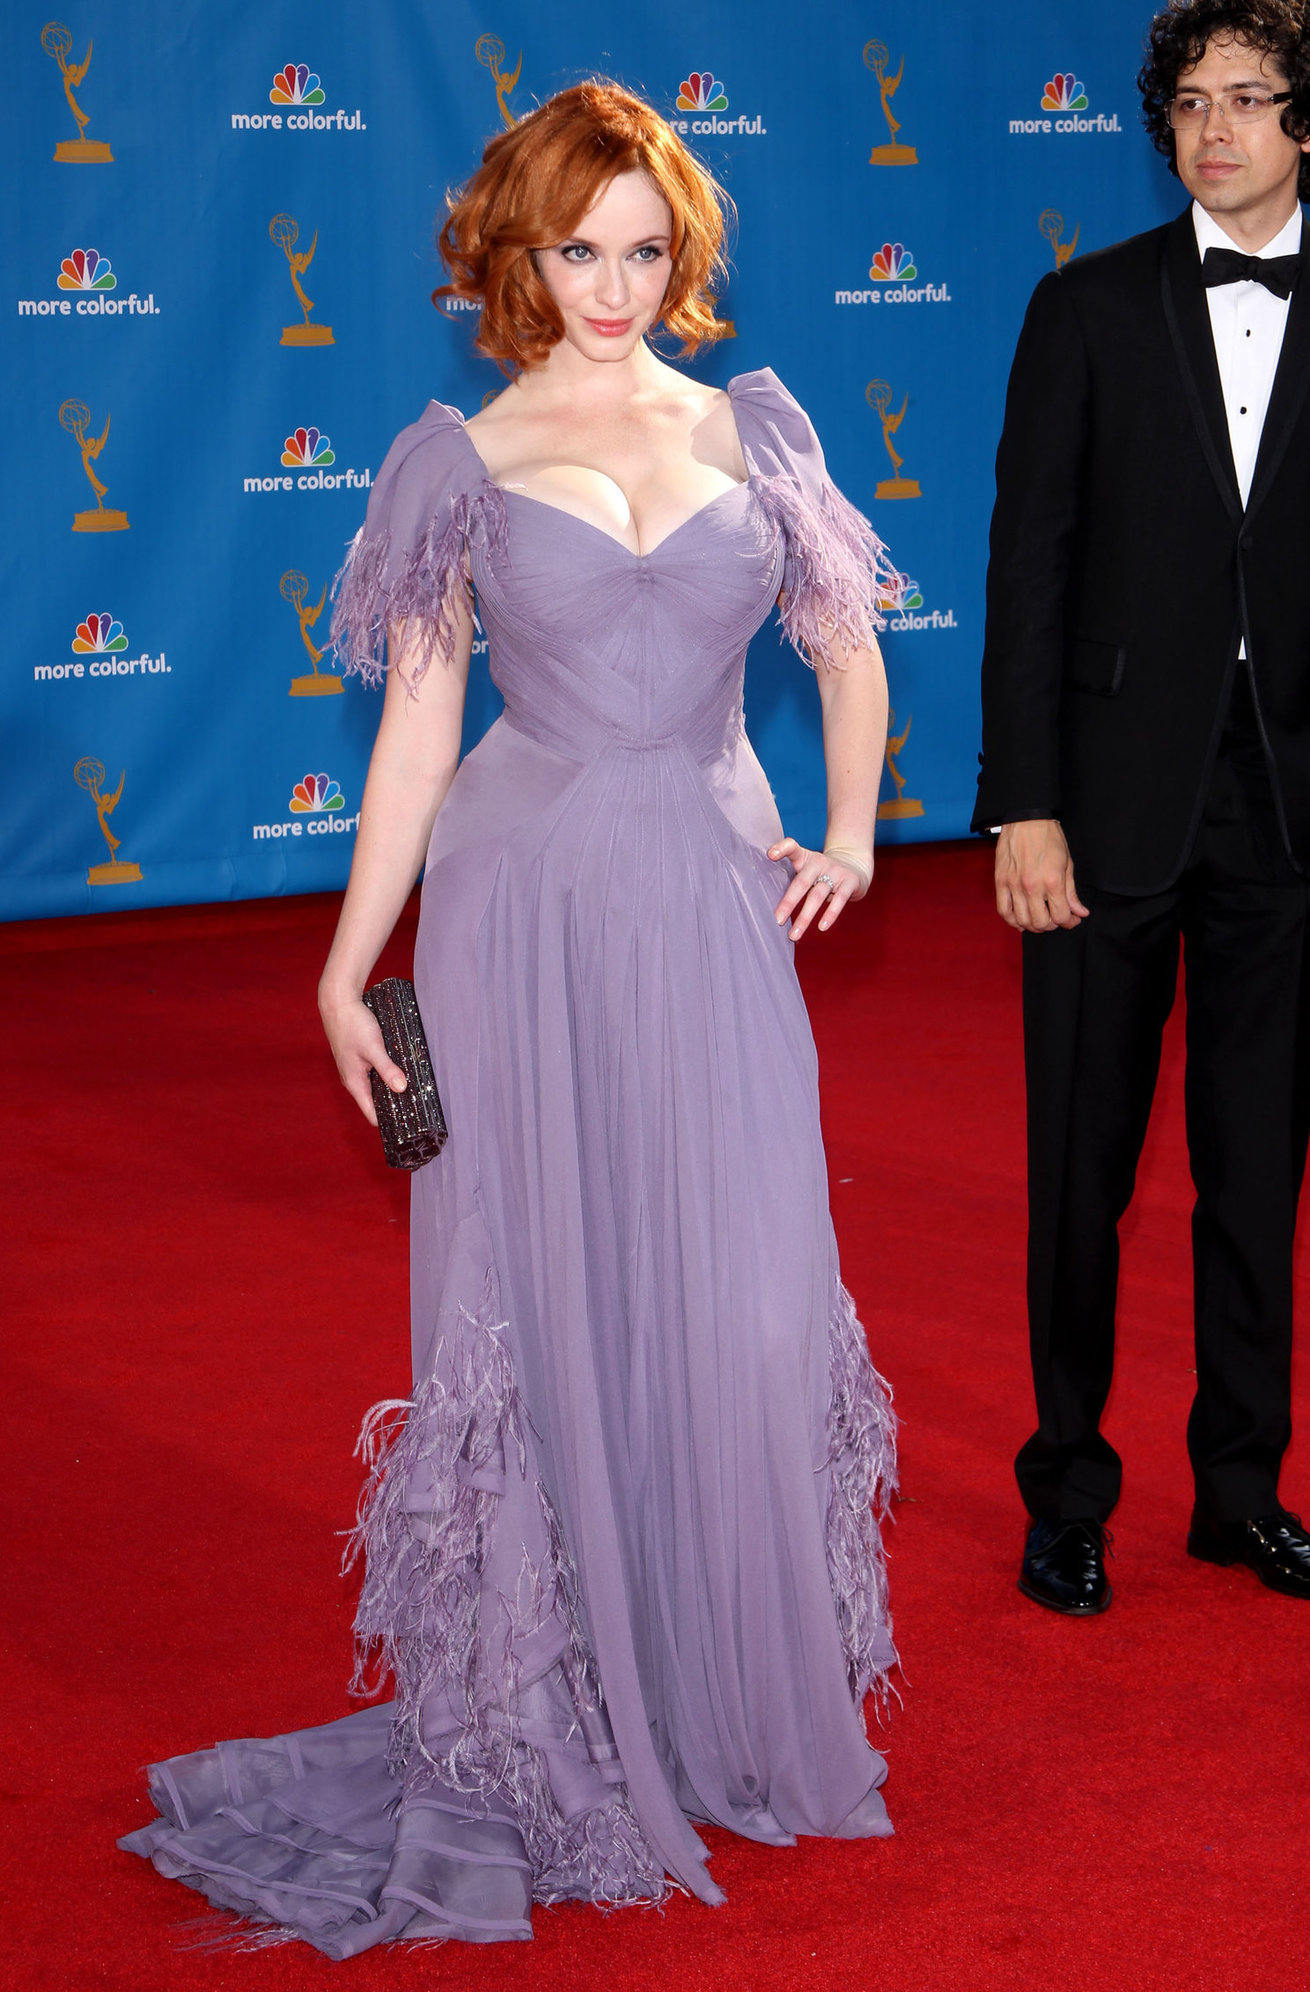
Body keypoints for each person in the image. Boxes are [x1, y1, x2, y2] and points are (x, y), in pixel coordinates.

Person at [119, 82, 899, 1951]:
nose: (614, 284)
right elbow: (415, 733)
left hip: (712, 901)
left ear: (680, 250)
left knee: (733, 1290)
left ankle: (706, 1697)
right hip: (519, 905)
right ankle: (544, 1711)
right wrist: (339, 959)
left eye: (644, 249)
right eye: (578, 250)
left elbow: (847, 644)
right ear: (516, 252)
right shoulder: (456, 458)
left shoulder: (750, 426)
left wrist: (857, 833)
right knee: (535, 1298)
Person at [975, 0, 1310, 1615]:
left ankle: (1239, 1486)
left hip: (1291, 812)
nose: (1214, 129)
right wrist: (1019, 808)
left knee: (1256, 1172)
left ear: (1304, 123)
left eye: (1247, 99)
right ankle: (1066, 1489)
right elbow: (1024, 570)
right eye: (1188, 102)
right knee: (1078, 1172)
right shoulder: (1085, 306)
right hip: (1104, 804)